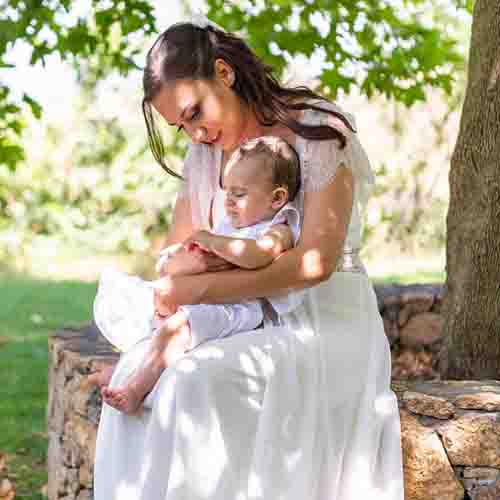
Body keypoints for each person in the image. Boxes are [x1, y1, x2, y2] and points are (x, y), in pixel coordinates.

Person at [92, 18, 404, 500]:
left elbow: (314, 264)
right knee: (150, 386)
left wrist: (199, 289)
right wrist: (176, 286)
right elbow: (174, 257)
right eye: (181, 126)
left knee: (189, 383)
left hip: (323, 321)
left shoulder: (315, 128)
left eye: (195, 113)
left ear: (224, 72)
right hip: (241, 321)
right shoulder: (205, 159)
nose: (194, 134)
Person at [93, 136, 304, 414]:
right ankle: (127, 368)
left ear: (277, 198)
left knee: (176, 327)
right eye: (226, 192)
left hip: (239, 309)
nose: (228, 203)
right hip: (207, 299)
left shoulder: (279, 228)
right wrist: (190, 260)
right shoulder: (230, 225)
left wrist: (212, 241)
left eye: (239, 194)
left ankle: (135, 389)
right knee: (151, 312)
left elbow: (256, 256)